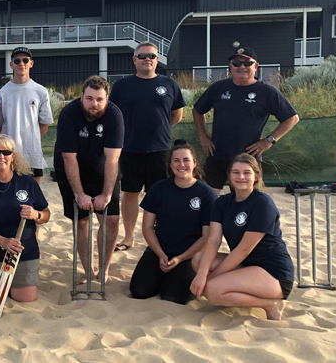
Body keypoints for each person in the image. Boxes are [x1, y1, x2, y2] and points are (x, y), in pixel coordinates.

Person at [190, 153, 294, 320]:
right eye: (236, 172)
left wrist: (210, 278)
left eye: (247, 172)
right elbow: (213, 240)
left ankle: (270, 304)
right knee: (198, 260)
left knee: (212, 289)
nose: (241, 177)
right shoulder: (222, 203)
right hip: (246, 265)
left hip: (272, 272)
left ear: (256, 176)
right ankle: (242, 291)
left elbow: (243, 250)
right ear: (229, 176)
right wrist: (202, 275)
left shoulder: (263, 204)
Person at [110, 41, 185, 251]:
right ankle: (128, 237)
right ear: (134, 60)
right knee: (130, 193)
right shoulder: (122, 85)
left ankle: (159, 235)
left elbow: (176, 114)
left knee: (159, 194)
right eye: (142, 56)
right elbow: (112, 115)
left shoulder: (169, 84)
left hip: (159, 149)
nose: (147, 60)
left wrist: (158, 128)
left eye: (151, 56)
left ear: (157, 60)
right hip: (129, 148)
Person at [192, 47, 299, 192]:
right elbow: (197, 110)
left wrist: (269, 141)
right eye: (236, 63)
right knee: (207, 199)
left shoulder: (268, 92)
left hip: (248, 159)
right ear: (230, 67)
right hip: (217, 155)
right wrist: (203, 136)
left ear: (256, 66)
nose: (242, 67)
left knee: (248, 202)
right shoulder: (218, 88)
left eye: (247, 63)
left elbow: (291, 118)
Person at [54, 75, 124, 283]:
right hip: (72, 170)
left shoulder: (114, 115)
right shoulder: (69, 114)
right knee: (82, 222)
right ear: (81, 96)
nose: (94, 104)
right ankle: (88, 270)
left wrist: (107, 193)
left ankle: (104, 268)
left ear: (106, 98)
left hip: (103, 169)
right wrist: (79, 193)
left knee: (111, 220)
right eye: (90, 98)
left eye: (99, 99)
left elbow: (113, 158)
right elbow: (69, 158)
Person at [129, 140, 217, 304]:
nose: (181, 164)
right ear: (170, 165)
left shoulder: (207, 194)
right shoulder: (158, 189)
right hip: (160, 250)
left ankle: (180, 276)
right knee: (139, 292)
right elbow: (147, 228)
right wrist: (161, 254)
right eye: (176, 160)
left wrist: (181, 258)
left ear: (194, 163)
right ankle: (162, 274)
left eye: (186, 160)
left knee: (173, 298)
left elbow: (206, 237)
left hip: (189, 254)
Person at [0, 135, 50, 303]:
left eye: (6, 152)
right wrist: (3, 242)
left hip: (23, 251)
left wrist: (36, 215)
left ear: (13, 156)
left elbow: (46, 214)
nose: (1, 156)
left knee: (25, 298)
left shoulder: (28, 183)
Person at [0, 46, 54, 183]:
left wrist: (31, 140)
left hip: (33, 155)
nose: (21, 64)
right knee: (8, 196)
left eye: (25, 60)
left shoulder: (40, 92)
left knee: (32, 199)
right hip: (8, 155)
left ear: (31, 63)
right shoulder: (2, 94)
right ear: (11, 64)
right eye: (17, 60)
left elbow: (44, 125)